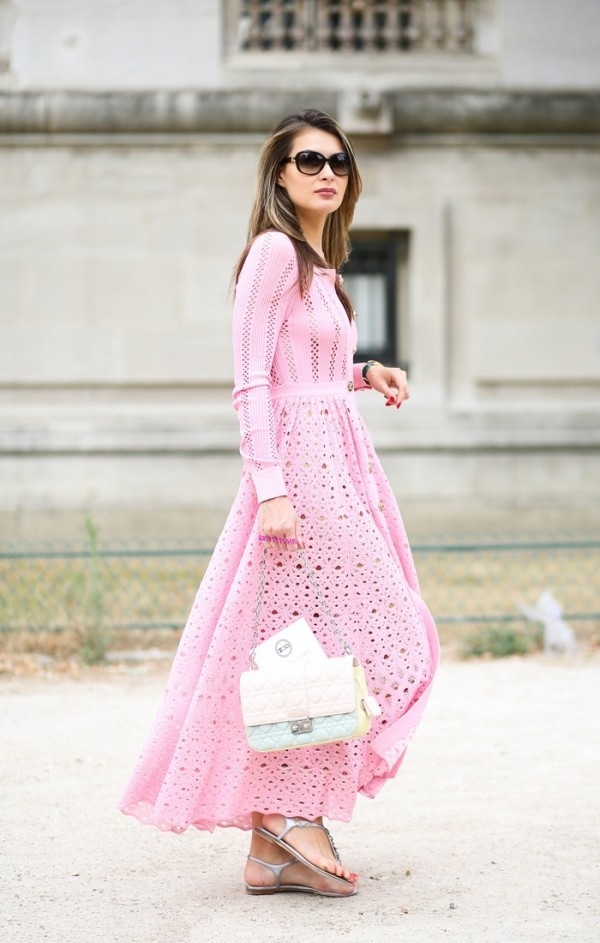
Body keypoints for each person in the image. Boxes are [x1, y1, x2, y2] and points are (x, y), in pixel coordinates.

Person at [119, 108, 439, 898]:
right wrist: (270, 488)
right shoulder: (272, 253)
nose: (326, 172)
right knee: (356, 634)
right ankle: (290, 815)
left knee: (322, 639)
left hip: (338, 460)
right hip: (299, 473)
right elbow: (252, 380)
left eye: (338, 161)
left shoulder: (321, 265)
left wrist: (365, 374)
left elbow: (308, 370)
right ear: (281, 175)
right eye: (309, 161)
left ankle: (273, 842)